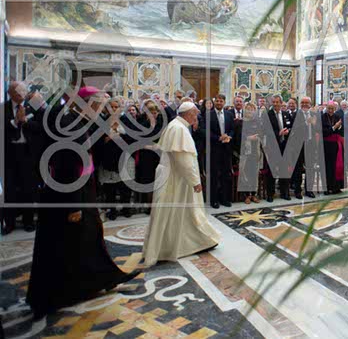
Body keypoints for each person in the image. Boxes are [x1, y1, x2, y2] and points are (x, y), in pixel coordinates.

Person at [27, 86, 139, 319]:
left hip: (80, 190)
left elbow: (91, 150)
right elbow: (69, 166)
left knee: (88, 237)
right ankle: (55, 295)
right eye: (99, 105)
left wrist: (108, 133)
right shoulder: (70, 124)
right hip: (69, 194)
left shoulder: (76, 121)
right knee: (65, 244)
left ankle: (101, 279)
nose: (101, 109)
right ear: (88, 104)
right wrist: (74, 205)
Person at [142, 101, 220, 266]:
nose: (196, 117)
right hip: (176, 180)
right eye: (195, 114)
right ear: (189, 114)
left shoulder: (176, 125)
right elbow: (183, 160)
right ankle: (170, 248)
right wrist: (195, 181)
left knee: (184, 214)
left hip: (176, 177)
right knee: (176, 214)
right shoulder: (179, 129)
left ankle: (196, 242)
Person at [3, 81, 42, 234]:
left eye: (23, 90)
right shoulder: (3, 108)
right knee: (10, 190)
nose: (21, 94)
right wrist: (14, 122)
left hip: (28, 154)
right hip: (10, 154)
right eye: (17, 91)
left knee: (29, 189)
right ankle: (9, 223)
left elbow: (41, 127)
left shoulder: (34, 107)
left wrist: (25, 121)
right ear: (10, 93)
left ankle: (28, 222)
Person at [206, 94, 234, 208]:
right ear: (214, 102)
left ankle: (224, 199)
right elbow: (206, 131)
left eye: (221, 101)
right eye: (217, 101)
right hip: (214, 149)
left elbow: (232, 129)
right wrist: (218, 138)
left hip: (226, 149)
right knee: (214, 175)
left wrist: (229, 136)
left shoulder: (229, 114)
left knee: (226, 174)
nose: (219, 103)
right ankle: (214, 200)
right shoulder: (209, 115)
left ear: (224, 102)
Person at [237, 103, 262, 204]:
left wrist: (258, 137)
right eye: (247, 109)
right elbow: (238, 137)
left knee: (254, 173)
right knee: (245, 173)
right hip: (245, 151)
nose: (249, 111)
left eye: (252, 109)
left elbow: (262, 133)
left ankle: (254, 194)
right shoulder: (240, 122)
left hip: (255, 150)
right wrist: (248, 138)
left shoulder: (257, 122)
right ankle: (246, 195)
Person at [322, 102, 345, 194]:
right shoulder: (322, 117)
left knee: (337, 166)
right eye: (329, 108)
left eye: (332, 108)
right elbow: (323, 131)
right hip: (326, 145)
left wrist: (339, 127)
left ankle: (336, 187)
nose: (330, 110)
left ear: (335, 109)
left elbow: (341, 130)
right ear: (326, 108)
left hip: (336, 144)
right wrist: (335, 127)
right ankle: (327, 188)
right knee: (328, 167)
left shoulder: (337, 116)